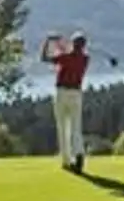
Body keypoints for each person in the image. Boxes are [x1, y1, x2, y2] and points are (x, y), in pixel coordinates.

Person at [40, 31, 93, 173]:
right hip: (76, 94)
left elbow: (44, 58)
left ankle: (66, 160)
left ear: (74, 44)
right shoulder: (85, 59)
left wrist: (48, 41)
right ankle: (79, 154)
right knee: (76, 128)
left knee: (62, 127)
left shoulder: (66, 57)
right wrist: (60, 43)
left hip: (62, 93)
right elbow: (68, 52)